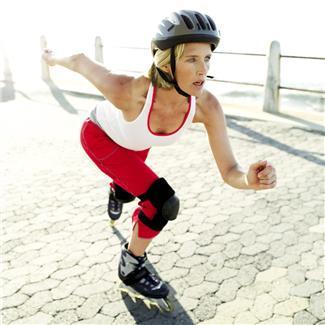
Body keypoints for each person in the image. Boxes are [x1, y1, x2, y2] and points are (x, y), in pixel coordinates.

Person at [42, 9, 277, 311]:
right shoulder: (130, 92)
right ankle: (131, 265)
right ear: (167, 61)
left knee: (129, 189)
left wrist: (249, 180)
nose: (202, 70)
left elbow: (230, 170)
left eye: (207, 59)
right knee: (163, 201)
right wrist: (52, 58)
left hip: (136, 144)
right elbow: (79, 61)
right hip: (100, 136)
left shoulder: (206, 106)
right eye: (192, 59)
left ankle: (118, 190)